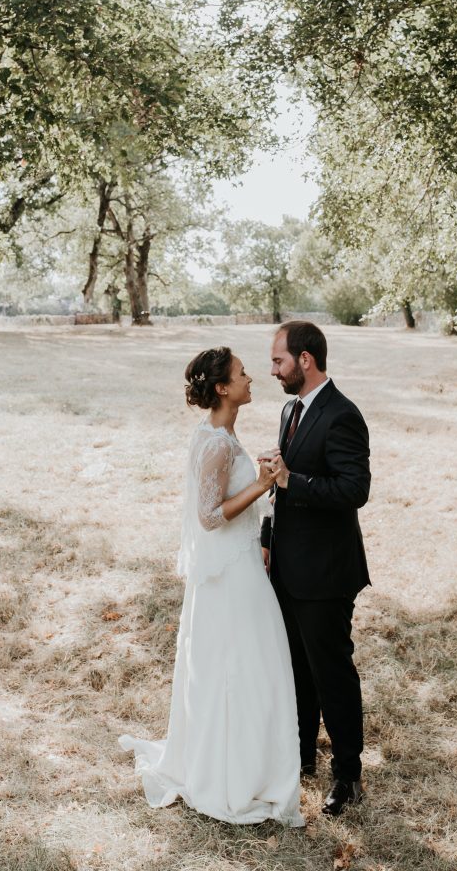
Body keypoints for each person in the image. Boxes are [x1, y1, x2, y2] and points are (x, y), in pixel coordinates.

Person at [119, 346, 304, 827]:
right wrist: (262, 485)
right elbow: (207, 517)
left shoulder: (221, 433)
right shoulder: (217, 443)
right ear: (222, 388)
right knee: (242, 669)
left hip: (239, 566)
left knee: (249, 667)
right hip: (231, 577)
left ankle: (249, 765)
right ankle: (234, 775)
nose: (251, 379)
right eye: (242, 375)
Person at [260, 321, 371, 817]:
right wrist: (267, 539)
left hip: (325, 573)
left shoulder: (342, 415)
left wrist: (292, 480)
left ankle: (348, 775)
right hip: (287, 566)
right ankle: (302, 755)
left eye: (279, 361)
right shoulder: (290, 408)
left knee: (332, 674)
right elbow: (283, 485)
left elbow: (354, 491)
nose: (273, 370)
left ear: (306, 360)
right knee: (297, 670)